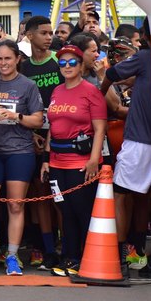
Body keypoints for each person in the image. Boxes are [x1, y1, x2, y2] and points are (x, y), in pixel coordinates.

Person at [101, 19, 151, 279]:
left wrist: (100, 92)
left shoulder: (145, 57)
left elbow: (111, 74)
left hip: (139, 139)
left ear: (145, 36)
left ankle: (120, 260)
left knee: (120, 195)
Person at [41, 44, 107, 277]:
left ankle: (84, 257)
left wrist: (92, 161)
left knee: (81, 210)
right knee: (64, 210)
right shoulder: (57, 91)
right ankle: (70, 256)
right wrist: (46, 159)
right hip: (57, 162)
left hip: (81, 162)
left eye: (72, 63)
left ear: (81, 66)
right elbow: (52, 127)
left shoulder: (91, 91)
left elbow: (100, 129)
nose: (66, 67)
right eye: (62, 63)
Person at [0, 40, 43, 276]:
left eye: (8, 58)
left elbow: (37, 120)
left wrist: (16, 115)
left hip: (20, 152)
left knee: (15, 206)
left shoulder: (28, 85)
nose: (3, 63)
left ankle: (13, 256)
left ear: (17, 58)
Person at [19, 16, 63, 270]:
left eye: (51, 33)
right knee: (40, 195)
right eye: (44, 33)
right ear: (29, 35)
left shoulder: (60, 60)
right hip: (33, 138)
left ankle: (65, 247)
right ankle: (47, 249)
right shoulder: (24, 68)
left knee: (60, 197)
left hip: (59, 138)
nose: (49, 37)